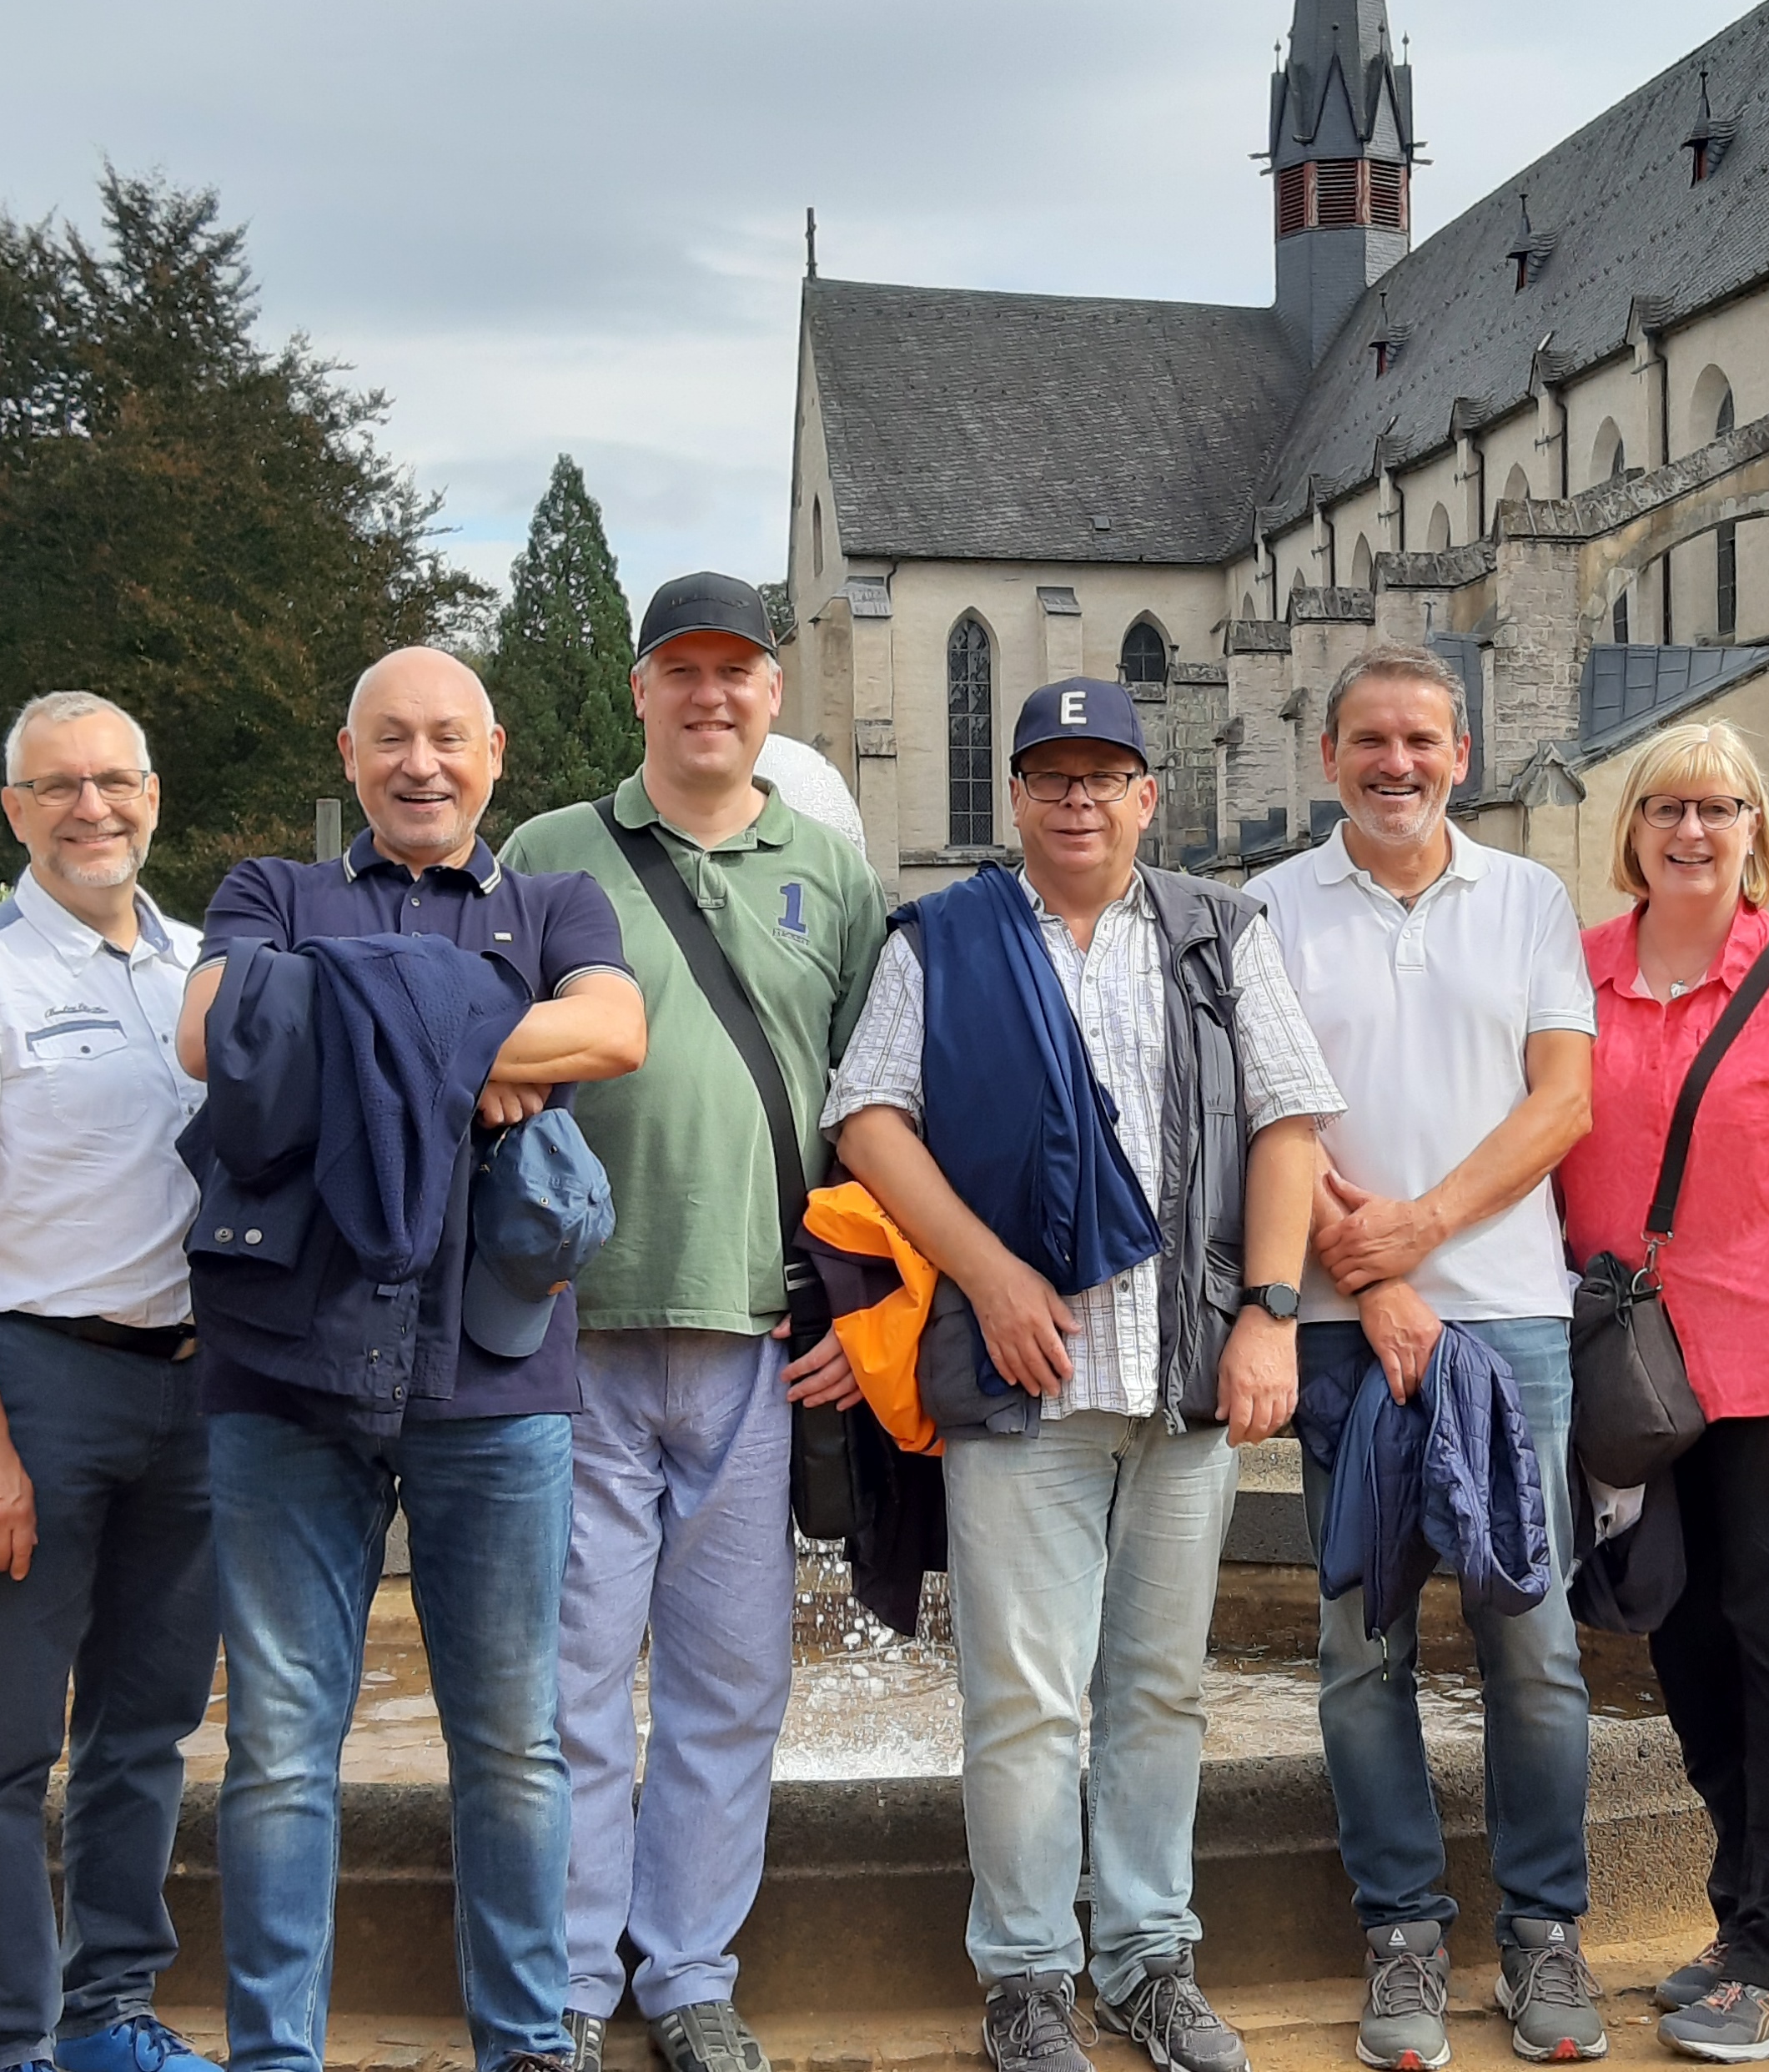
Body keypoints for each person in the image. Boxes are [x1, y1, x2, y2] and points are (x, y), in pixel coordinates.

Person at [822, 676, 1340, 2072]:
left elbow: (1290, 1123)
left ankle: (1149, 1960)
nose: (1077, 799)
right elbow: (868, 1118)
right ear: (1019, 795)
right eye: (1052, 775)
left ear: (1144, 795)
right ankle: (1031, 1976)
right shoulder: (943, 938)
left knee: (1161, 1687)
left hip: (1184, 1383)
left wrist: (1273, 1317)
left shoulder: (1221, 935)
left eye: (1104, 775)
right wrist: (988, 1275)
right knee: (1027, 1696)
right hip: (1023, 1386)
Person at [175, 646, 648, 2072]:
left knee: (511, 1746)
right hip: (281, 1373)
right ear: (349, 753)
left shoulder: (558, 899)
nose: (422, 764)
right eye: (393, 740)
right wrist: (471, 1040)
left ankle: (525, 2047)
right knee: (278, 1748)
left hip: (494, 1379)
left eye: (449, 738)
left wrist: (346, 1020)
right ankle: (277, 2056)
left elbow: (614, 1031)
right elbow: (208, 1032)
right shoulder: (270, 891)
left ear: (495, 752)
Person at [501, 577, 887, 2072]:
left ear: (773, 693)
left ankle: (691, 1977)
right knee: (575, 1679)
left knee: (733, 1684)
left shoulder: (833, 876)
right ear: (644, 688)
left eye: (738, 672)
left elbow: (879, 1113)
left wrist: (876, 1317)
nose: (711, 696)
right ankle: (574, 1988)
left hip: (762, 1331)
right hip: (574, 1328)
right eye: (683, 672)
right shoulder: (551, 853)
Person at [1240, 646, 1607, 2069]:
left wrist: (1428, 1233)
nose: (1398, 764)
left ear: (1463, 753)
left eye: (1423, 741)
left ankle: (1541, 1937)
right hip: (1337, 1330)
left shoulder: (1530, 898)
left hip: (1512, 1318)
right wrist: (1372, 1274)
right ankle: (1400, 1935)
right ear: (1327, 755)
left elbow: (1562, 1101)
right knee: (1360, 1644)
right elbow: (1273, 1110)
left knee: (1534, 1644)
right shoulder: (1267, 907)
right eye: (1371, 741)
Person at [1552, 723, 1769, 2064]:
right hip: (1635, 1395)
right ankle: (1746, 1915)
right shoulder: (1575, 972)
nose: (1690, 832)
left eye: (1718, 810)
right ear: (1630, 830)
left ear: (1758, 829)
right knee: (1692, 1660)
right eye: (1665, 809)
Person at [0, 693, 219, 2072]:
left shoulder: (203, 967)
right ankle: (4, 2042)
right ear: (14, 810)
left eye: (116, 781)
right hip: (36, 1382)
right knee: (7, 1745)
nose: (94, 808)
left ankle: (110, 2017)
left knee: (147, 1726)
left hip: (192, 1392)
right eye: (58, 786)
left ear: (154, 792)